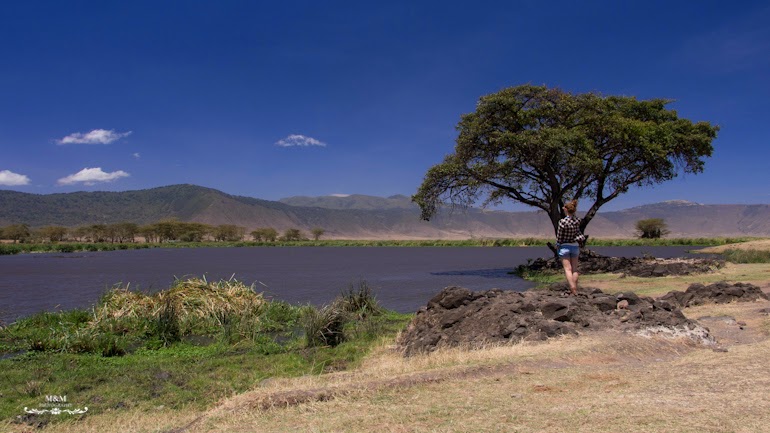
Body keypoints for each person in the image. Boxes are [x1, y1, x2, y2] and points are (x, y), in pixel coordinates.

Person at [556, 200, 586, 295]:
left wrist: (558, 245)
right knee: (574, 269)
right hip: (575, 246)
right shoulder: (577, 220)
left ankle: (572, 288)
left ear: (566, 209)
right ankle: (575, 289)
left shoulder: (562, 222)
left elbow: (559, 236)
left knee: (567, 269)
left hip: (564, 246)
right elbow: (577, 232)